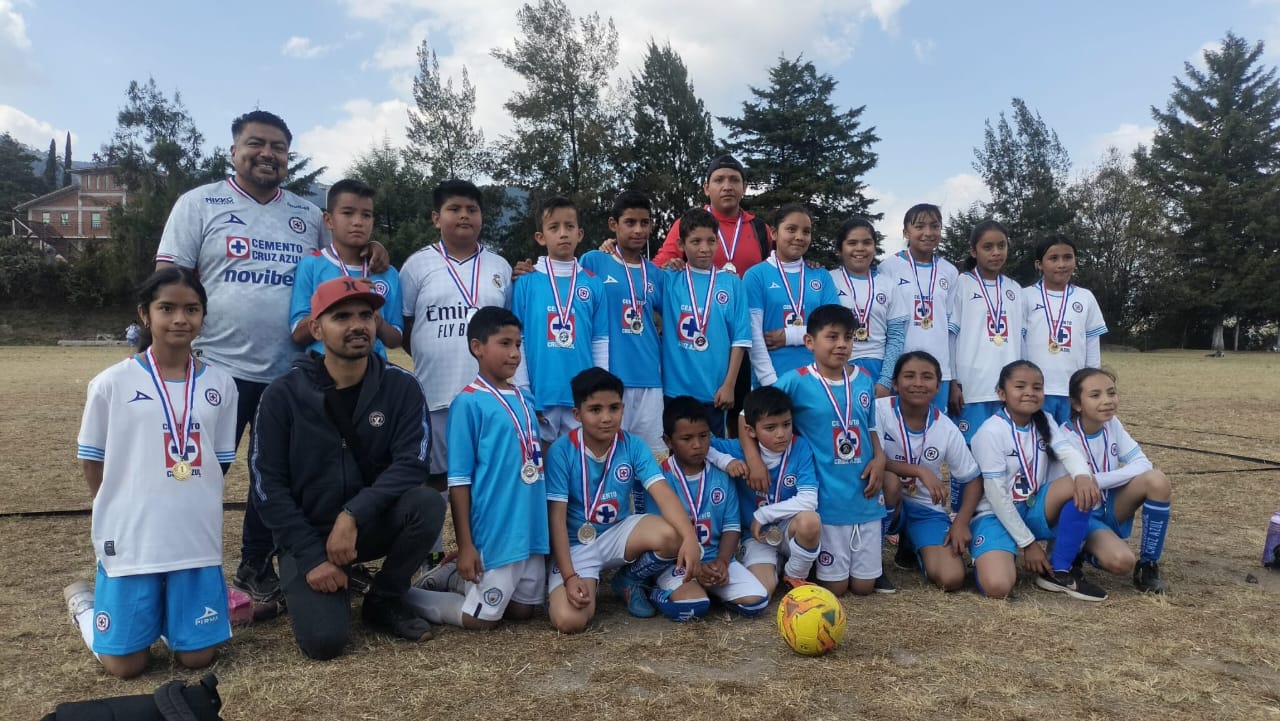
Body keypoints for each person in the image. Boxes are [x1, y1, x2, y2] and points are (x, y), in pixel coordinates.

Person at [155, 109, 389, 606]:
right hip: (215, 367)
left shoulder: (306, 214)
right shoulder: (200, 203)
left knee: (277, 477)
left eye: (279, 147)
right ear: (234, 150)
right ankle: (175, 569)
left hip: (293, 372)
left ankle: (256, 570)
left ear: (288, 155)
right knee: (193, 473)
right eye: (256, 144)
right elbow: (169, 283)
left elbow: (346, 258)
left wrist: (377, 249)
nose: (267, 154)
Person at [251, 277, 445, 659]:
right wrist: (311, 557)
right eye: (342, 316)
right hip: (307, 533)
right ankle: (320, 582)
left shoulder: (401, 386)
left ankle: (384, 599)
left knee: (427, 504)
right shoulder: (282, 395)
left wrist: (352, 514)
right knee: (325, 642)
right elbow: (265, 486)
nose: (358, 325)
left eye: (366, 315)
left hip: (364, 524)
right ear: (316, 328)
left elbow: (413, 464)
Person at [66, 267, 239, 678]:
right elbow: (93, 459)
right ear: (145, 314)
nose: (180, 318)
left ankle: (170, 620)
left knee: (197, 659)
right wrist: (115, 505)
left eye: (192, 309)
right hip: (133, 534)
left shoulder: (221, 384)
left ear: (203, 316)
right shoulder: (111, 384)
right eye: (168, 308)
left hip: (193, 534)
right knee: (125, 666)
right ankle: (85, 608)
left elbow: (220, 459)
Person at [406, 307, 549, 630]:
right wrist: (467, 546)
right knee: (481, 620)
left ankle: (457, 577)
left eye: (518, 344)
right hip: (496, 532)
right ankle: (402, 594)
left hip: (531, 529)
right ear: (477, 347)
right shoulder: (468, 403)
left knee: (522, 612)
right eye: (505, 344)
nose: (514, 354)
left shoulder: (526, 399)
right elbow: (458, 483)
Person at [747, 304, 891, 596]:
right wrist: (753, 460)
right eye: (832, 336)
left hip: (864, 494)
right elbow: (746, 416)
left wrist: (879, 458)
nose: (841, 344)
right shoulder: (795, 380)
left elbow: (871, 425)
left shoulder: (863, 379)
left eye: (848, 338)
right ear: (810, 342)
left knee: (864, 588)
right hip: (827, 498)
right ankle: (799, 563)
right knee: (835, 588)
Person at [544, 369, 704, 632]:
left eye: (614, 408)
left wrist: (689, 538)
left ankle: (629, 579)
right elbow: (556, 520)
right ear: (577, 414)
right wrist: (570, 576)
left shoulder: (632, 445)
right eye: (595, 409)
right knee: (569, 621)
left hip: (617, 533)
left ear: (623, 408)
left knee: (674, 535)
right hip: (575, 545)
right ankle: (580, 579)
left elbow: (663, 494)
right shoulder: (562, 451)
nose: (606, 418)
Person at [400, 179, 513, 491]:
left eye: (472, 209)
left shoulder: (499, 266)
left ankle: (481, 542)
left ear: (482, 217)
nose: (464, 215)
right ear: (436, 218)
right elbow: (406, 325)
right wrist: (431, 351)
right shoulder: (415, 266)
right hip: (436, 393)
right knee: (436, 480)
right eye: (454, 209)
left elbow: (511, 330)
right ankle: (434, 543)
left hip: (489, 395)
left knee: (486, 481)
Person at [967, 361, 1106, 601]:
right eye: (1020, 386)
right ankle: (990, 557)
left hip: (1032, 507)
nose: (1030, 392)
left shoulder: (1045, 420)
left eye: (1037, 387)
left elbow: (1068, 452)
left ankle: (1059, 570)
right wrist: (1028, 544)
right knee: (999, 587)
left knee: (1081, 483)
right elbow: (997, 497)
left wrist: (1084, 476)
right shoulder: (990, 432)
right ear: (1001, 393)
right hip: (995, 515)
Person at [646, 397, 769, 620]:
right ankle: (655, 592)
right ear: (668, 441)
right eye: (686, 438)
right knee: (693, 608)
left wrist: (722, 562)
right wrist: (696, 569)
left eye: (703, 436)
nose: (697, 444)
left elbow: (731, 527)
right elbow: (658, 536)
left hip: (716, 559)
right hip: (676, 563)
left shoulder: (722, 474)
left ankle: (711, 587)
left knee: (757, 601)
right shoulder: (659, 478)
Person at [876, 352, 982, 592]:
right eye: (909, 376)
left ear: (937, 386)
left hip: (925, 508)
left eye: (927, 377)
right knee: (889, 481)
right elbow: (872, 460)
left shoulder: (945, 427)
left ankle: (911, 545)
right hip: (883, 501)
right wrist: (919, 471)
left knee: (951, 578)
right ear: (895, 383)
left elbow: (973, 479)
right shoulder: (879, 411)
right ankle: (872, 560)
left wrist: (961, 522)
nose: (918, 383)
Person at [1063, 367, 1170, 593]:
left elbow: (1142, 463)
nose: (1107, 401)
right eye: (1095, 395)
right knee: (1122, 562)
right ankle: (1083, 549)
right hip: (1083, 515)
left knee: (1157, 480)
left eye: (1111, 393)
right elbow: (1070, 487)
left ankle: (1148, 564)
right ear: (1076, 404)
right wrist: (1093, 482)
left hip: (1109, 505)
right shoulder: (1065, 437)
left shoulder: (1112, 424)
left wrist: (1097, 480)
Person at [511, 196, 609, 442]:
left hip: (581, 396)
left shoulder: (593, 283)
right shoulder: (526, 282)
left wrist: (599, 390)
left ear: (580, 234)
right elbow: (517, 339)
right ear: (541, 237)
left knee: (578, 466)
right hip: (541, 394)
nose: (563, 233)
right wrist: (524, 391)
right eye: (554, 227)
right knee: (539, 465)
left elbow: (600, 340)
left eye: (570, 226)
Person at [579, 191, 666, 455]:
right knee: (609, 457)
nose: (638, 230)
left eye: (645, 223)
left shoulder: (656, 273)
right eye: (630, 222)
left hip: (650, 378)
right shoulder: (593, 261)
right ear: (613, 224)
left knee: (652, 458)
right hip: (610, 377)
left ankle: (646, 500)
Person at [712, 386, 821, 596]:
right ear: (751, 431)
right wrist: (727, 462)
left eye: (786, 425)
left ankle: (794, 575)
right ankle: (775, 566)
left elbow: (809, 500)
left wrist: (762, 515)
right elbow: (703, 444)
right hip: (756, 536)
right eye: (770, 428)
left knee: (810, 521)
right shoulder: (736, 449)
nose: (781, 434)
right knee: (762, 590)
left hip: (788, 527)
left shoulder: (800, 447)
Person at [660, 208, 750, 437]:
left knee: (713, 454)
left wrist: (729, 384)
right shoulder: (669, 279)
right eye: (696, 241)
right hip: (675, 390)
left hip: (715, 392)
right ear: (681, 245)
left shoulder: (732, 284)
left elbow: (740, 339)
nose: (704, 248)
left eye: (711, 241)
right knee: (678, 452)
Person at [289, 179, 403, 358]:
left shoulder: (387, 272)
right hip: (323, 374)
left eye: (366, 215)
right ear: (328, 220)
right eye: (348, 213)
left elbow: (395, 339)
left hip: (375, 375)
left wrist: (376, 320)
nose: (358, 222)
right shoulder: (311, 265)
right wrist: (339, 295)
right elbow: (298, 334)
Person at [743, 203, 839, 386]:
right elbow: (753, 334)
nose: (799, 237)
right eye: (791, 229)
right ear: (774, 233)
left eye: (806, 231)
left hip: (818, 381)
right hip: (771, 380)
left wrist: (790, 336)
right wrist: (771, 382)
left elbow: (833, 328)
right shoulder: (755, 275)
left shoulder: (821, 275)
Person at [876, 204, 959, 415]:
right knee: (898, 431)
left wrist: (953, 378)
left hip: (939, 369)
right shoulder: (888, 267)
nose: (928, 233)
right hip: (901, 367)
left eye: (935, 226)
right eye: (920, 226)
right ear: (906, 232)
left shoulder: (949, 271)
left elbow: (951, 331)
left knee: (935, 430)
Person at [948, 220, 1023, 442]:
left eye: (1002, 246)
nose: (996, 252)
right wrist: (953, 381)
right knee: (970, 454)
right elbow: (950, 338)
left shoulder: (1015, 289)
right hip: (971, 389)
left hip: (1007, 390)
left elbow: (1021, 341)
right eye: (988, 247)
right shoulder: (961, 284)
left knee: (1005, 453)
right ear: (974, 250)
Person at [1022, 235, 1108, 424]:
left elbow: (1092, 345)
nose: (1061, 264)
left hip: (1072, 391)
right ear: (1039, 264)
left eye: (1067, 257)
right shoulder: (1025, 296)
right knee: (1038, 445)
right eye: (1053, 258)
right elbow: (1019, 345)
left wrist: (1093, 384)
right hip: (1036, 391)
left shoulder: (1085, 297)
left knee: (1072, 444)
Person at [652, 155, 772, 276]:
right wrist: (668, 266)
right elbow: (657, 270)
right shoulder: (687, 223)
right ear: (706, 188)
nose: (727, 187)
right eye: (719, 180)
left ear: (744, 188)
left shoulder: (760, 228)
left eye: (734, 180)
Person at [829, 217, 907, 397]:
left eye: (867, 242)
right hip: (839, 365)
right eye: (852, 243)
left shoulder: (888, 285)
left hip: (878, 368)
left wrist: (886, 379)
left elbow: (896, 336)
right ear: (839, 249)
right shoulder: (829, 280)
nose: (860, 249)